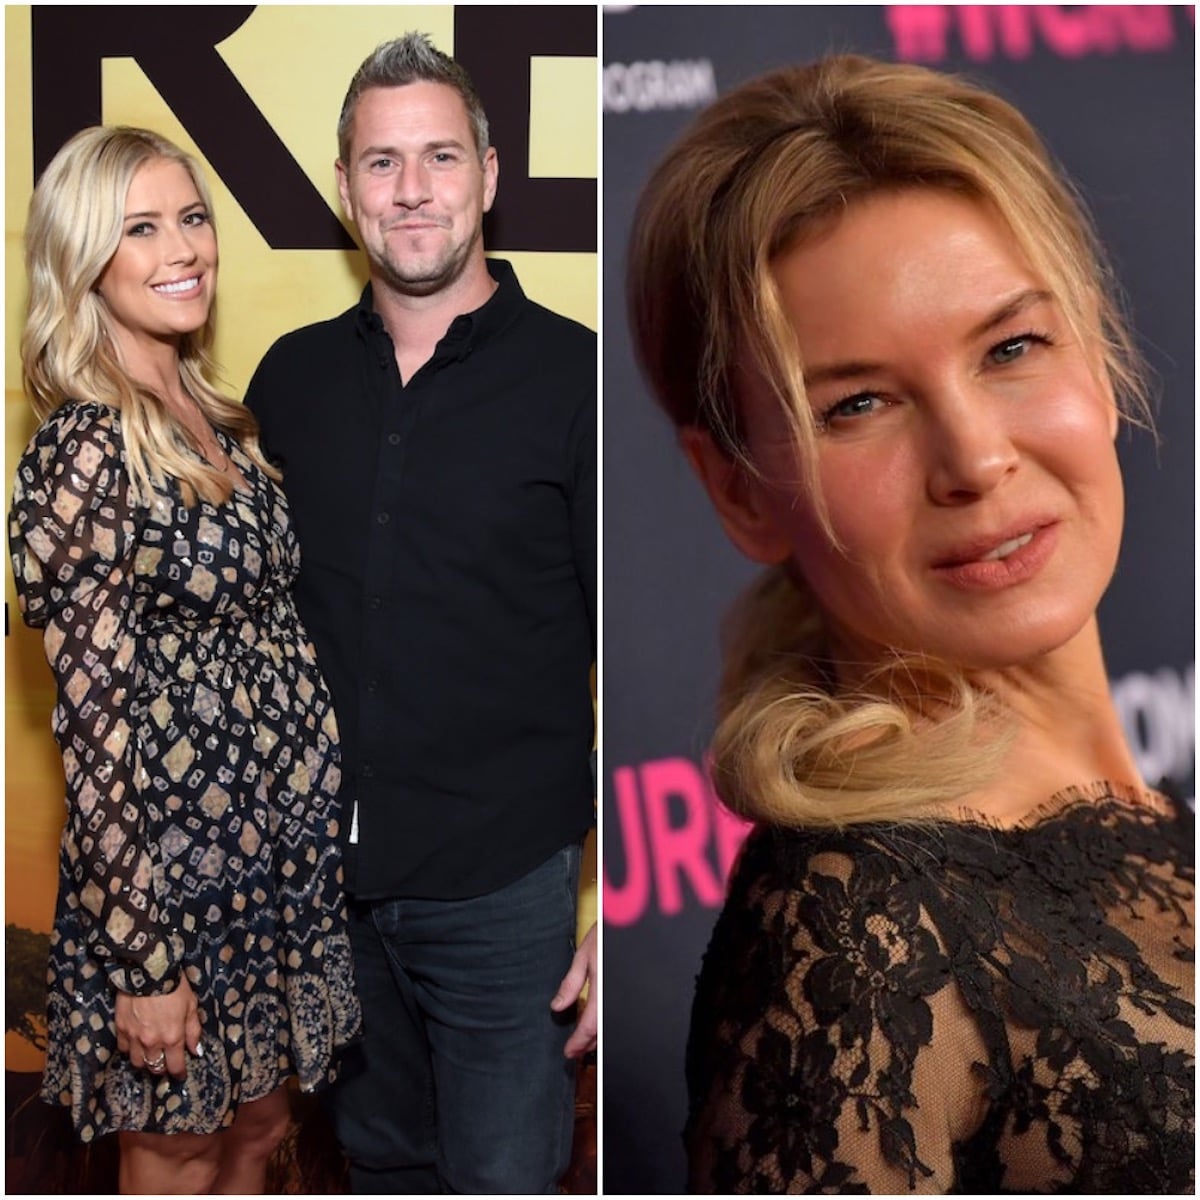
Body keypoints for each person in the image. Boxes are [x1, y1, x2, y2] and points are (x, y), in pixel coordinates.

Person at [627, 55, 1194, 1194]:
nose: (975, 459)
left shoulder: (1157, 826)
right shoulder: (851, 933)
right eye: (858, 405)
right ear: (740, 490)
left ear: (1096, 350)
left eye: (1011, 348)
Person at [243, 32, 597, 1194]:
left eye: (439, 157)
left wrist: (633, 903)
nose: (411, 190)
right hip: (325, 896)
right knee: (379, 1167)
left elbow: (649, 650)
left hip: (505, 895)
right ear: (345, 188)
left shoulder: (579, 383)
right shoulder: (288, 381)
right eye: (381, 162)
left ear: (487, 176)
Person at [9, 126, 361, 1195]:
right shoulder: (87, 447)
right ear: (85, 261)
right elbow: (93, 730)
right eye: (142, 229)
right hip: (168, 888)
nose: (183, 249)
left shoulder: (220, 420)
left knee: (261, 1128)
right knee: (178, 1147)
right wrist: (142, 958)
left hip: (270, 875)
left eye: (193, 218)